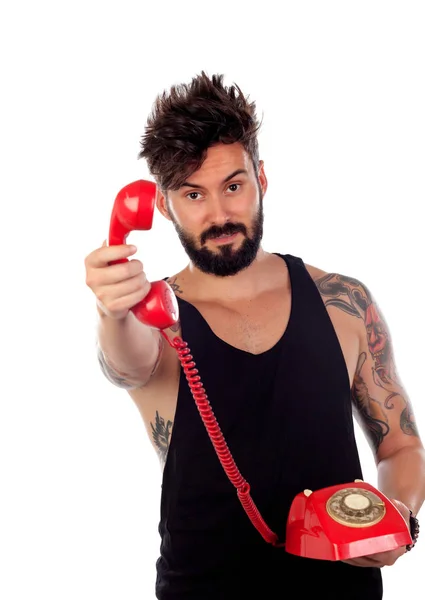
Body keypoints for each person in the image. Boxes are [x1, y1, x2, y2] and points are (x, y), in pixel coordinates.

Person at [84, 72, 424, 599]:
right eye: (193, 194)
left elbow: (400, 445)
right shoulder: (156, 320)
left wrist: (398, 519)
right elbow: (125, 364)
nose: (219, 214)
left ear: (262, 179)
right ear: (160, 205)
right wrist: (113, 309)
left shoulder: (344, 302)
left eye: (233, 186)